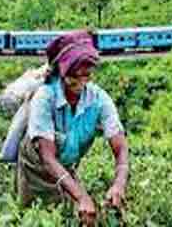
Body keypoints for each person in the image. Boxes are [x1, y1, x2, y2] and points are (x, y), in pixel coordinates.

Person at [16, 31, 129, 226]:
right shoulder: (45, 98)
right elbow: (48, 157)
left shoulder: (99, 99)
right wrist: (81, 196)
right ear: (62, 72)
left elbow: (120, 147)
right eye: (74, 75)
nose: (80, 82)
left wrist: (119, 184)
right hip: (36, 167)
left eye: (86, 75)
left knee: (75, 212)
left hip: (66, 166)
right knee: (35, 216)